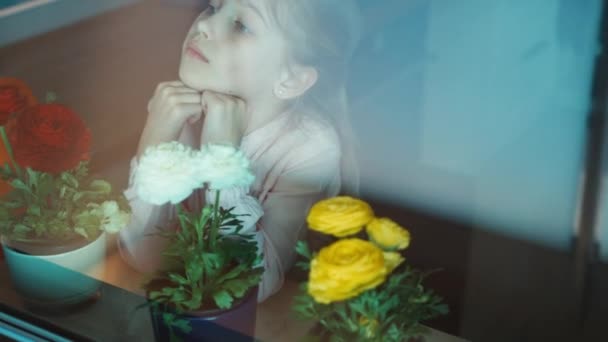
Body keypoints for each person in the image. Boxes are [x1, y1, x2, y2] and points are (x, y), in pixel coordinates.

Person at [118, 0, 362, 301]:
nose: (204, 25)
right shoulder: (177, 110)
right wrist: (153, 145)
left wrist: (223, 161)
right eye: (212, 7)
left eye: (241, 26)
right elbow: (145, 261)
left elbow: (250, 288)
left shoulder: (310, 148)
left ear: (292, 79)